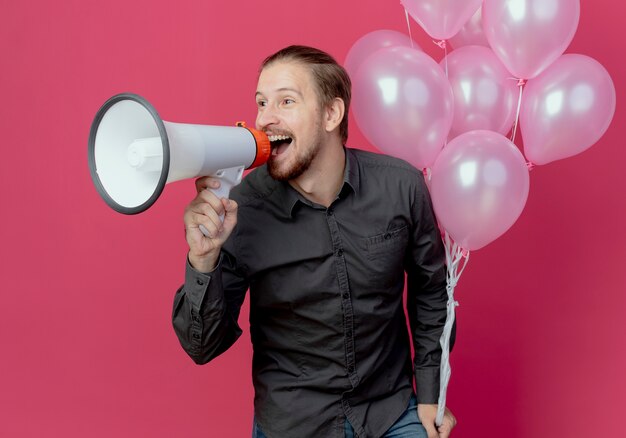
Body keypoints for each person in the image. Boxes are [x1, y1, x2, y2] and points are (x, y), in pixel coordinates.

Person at [172, 45, 457, 438]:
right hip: (294, 423)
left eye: (286, 101)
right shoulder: (241, 207)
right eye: (261, 102)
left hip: (389, 410)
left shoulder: (402, 186)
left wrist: (429, 392)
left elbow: (430, 292)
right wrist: (203, 260)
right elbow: (202, 347)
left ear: (331, 114)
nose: (265, 119)